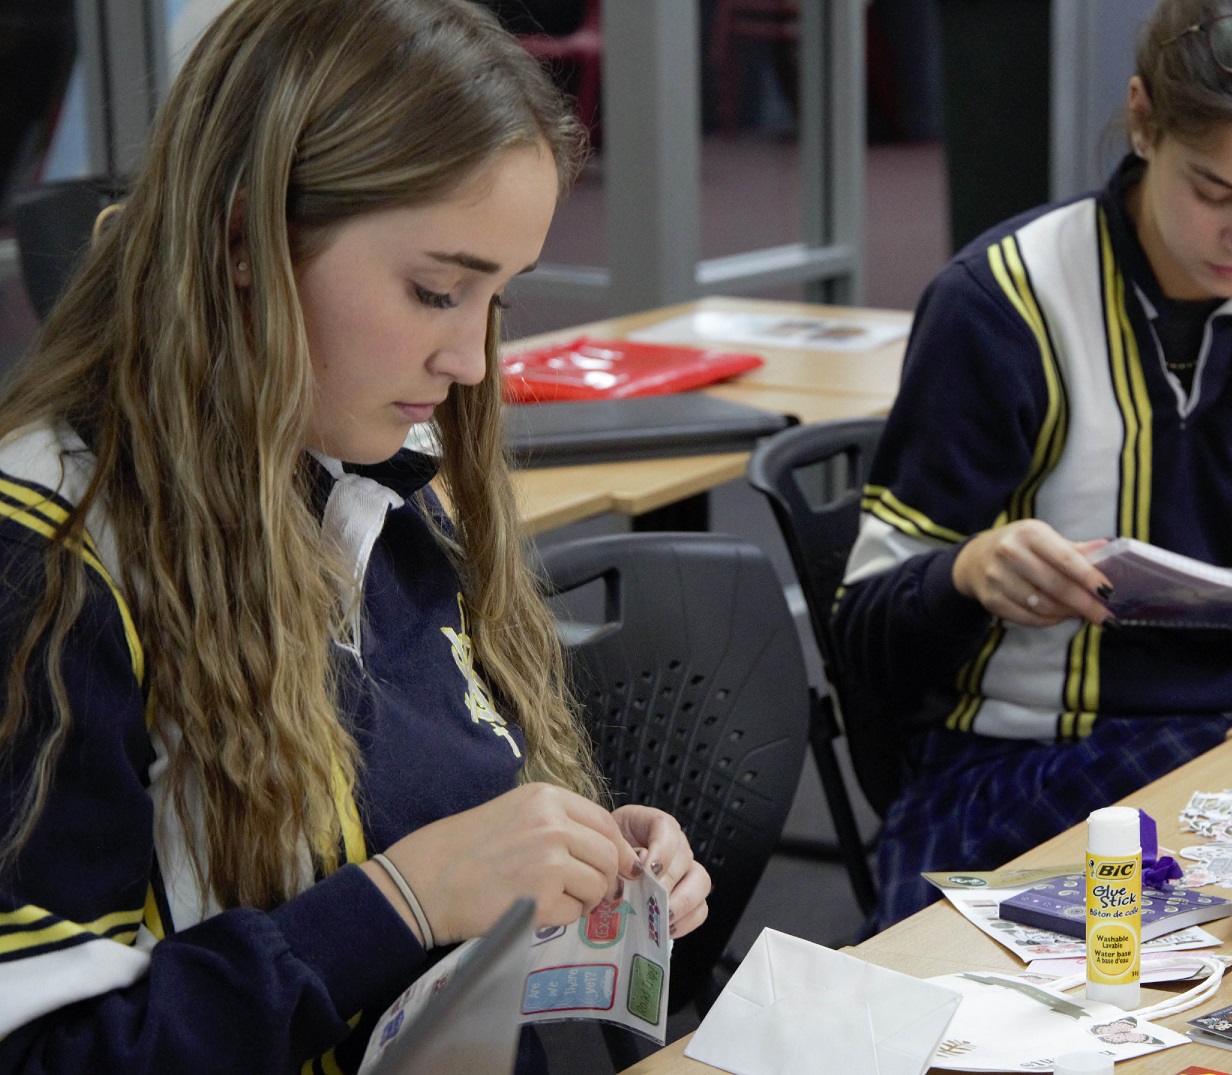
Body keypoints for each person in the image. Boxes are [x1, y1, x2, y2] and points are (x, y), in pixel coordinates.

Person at [0, 0, 712, 1070]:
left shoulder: (360, 471)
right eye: (436, 290)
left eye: (496, 301)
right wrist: (403, 898)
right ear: (243, 242)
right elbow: (49, 1055)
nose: (470, 361)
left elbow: (420, 834)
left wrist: (574, 863)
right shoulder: (50, 561)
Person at [834, 0, 1232, 929]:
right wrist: (967, 573)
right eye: (1213, 191)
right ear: (1143, 120)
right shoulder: (1002, 302)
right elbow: (862, 633)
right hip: (1014, 768)